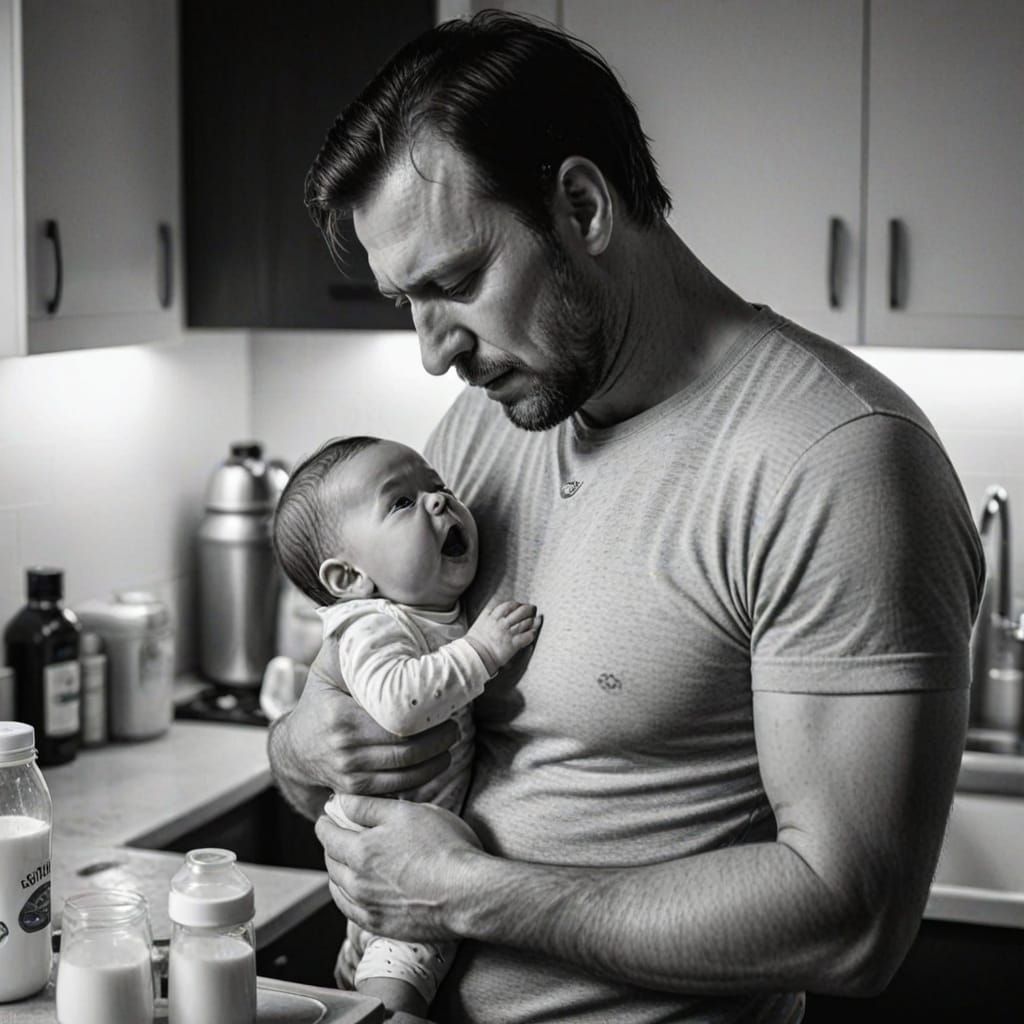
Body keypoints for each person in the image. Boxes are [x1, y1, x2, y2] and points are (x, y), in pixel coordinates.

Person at [268, 12, 984, 1023]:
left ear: (580, 204)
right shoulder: (480, 427)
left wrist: (471, 892)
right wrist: (305, 745)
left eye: (454, 283)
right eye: (405, 302)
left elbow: (852, 919)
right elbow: (357, 734)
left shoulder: (835, 463)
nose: (433, 352)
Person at [271, 434, 540, 1016]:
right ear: (349, 579)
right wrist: (483, 650)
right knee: (400, 974)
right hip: (394, 847)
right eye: (400, 504)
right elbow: (399, 703)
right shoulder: (372, 625)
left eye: (438, 488)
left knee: (378, 959)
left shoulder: (423, 609)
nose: (439, 502)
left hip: (404, 839)